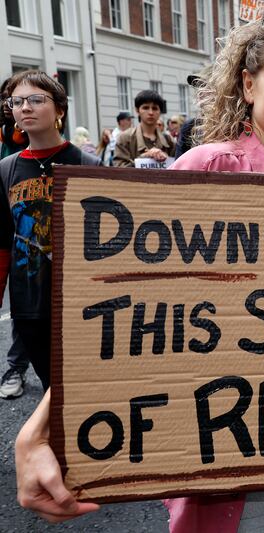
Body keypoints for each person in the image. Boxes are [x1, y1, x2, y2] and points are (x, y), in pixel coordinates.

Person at [14, 14, 264, 532]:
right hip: (229, 429)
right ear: (248, 84)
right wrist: (39, 430)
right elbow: (126, 309)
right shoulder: (206, 167)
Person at [0, 70, 101, 399]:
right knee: (51, 390)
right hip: (29, 304)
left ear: (59, 108)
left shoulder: (88, 165)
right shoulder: (6, 169)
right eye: (17, 102)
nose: (25, 107)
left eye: (35, 100)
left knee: (84, 390)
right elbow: (2, 240)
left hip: (81, 303)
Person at [113, 89, 175, 167]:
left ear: (160, 111)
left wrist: (166, 158)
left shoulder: (169, 140)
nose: (151, 112)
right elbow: (119, 168)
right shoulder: (125, 138)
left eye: (155, 108)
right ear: (137, 110)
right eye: (145, 108)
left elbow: (179, 166)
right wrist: (144, 157)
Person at [0, 78, 28, 158]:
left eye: (12, 98)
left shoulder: (44, 136)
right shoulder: (4, 133)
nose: (5, 103)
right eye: (3, 98)